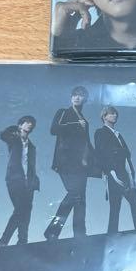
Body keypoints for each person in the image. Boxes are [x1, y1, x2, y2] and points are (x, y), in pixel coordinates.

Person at [44, 86, 97, 240]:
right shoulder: (63, 112)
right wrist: (75, 125)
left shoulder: (84, 120)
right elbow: (54, 129)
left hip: (81, 164)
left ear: (85, 99)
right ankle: (52, 231)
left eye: (80, 95)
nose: (77, 98)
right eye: (74, 95)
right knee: (74, 194)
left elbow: (86, 143)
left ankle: (80, 234)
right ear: (71, 97)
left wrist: (97, 161)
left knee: (80, 199)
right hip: (65, 161)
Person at [94, 106, 136, 235]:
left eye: (115, 114)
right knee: (117, 207)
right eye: (111, 114)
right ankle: (113, 236)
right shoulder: (100, 132)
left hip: (125, 174)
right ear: (104, 117)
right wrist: (111, 172)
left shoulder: (118, 135)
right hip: (114, 174)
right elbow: (101, 153)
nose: (115, 116)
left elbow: (126, 156)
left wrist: (131, 176)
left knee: (131, 203)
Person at [0, 116, 40, 247]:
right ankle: (3, 241)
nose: (30, 125)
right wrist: (14, 129)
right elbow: (3, 135)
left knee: (26, 211)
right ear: (20, 125)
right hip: (15, 179)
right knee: (20, 209)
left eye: (31, 124)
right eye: (27, 122)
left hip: (29, 182)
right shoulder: (13, 139)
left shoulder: (31, 146)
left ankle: (22, 241)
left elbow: (32, 165)